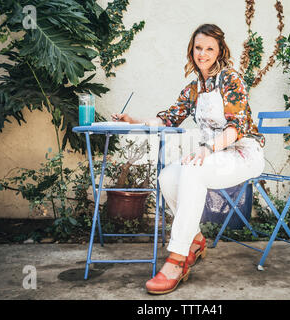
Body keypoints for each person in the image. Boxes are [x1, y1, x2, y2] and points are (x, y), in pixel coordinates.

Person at [111, 24, 265, 294]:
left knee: (193, 169)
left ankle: (177, 260)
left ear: (219, 52)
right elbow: (168, 118)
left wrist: (208, 148)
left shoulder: (231, 79)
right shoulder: (193, 89)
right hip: (216, 155)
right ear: (191, 50)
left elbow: (237, 127)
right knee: (167, 176)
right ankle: (195, 239)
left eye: (209, 49)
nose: (202, 54)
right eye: (198, 48)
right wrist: (133, 120)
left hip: (243, 152)